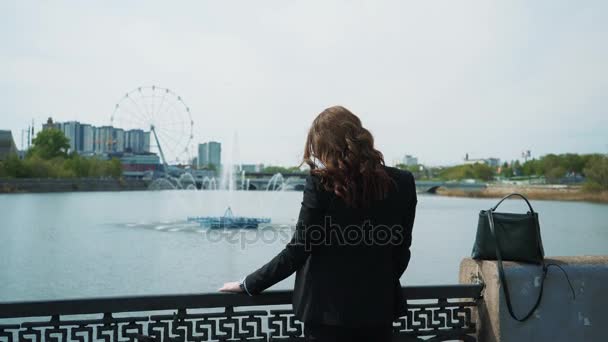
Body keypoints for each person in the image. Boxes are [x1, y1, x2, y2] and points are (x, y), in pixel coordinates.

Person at [220, 105, 417, 342]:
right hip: (378, 310)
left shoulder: (321, 183)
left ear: (326, 146)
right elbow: (401, 249)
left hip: (326, 314)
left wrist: (249, 284)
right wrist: (377, 282)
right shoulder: (404, 182)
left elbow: (299, 249)